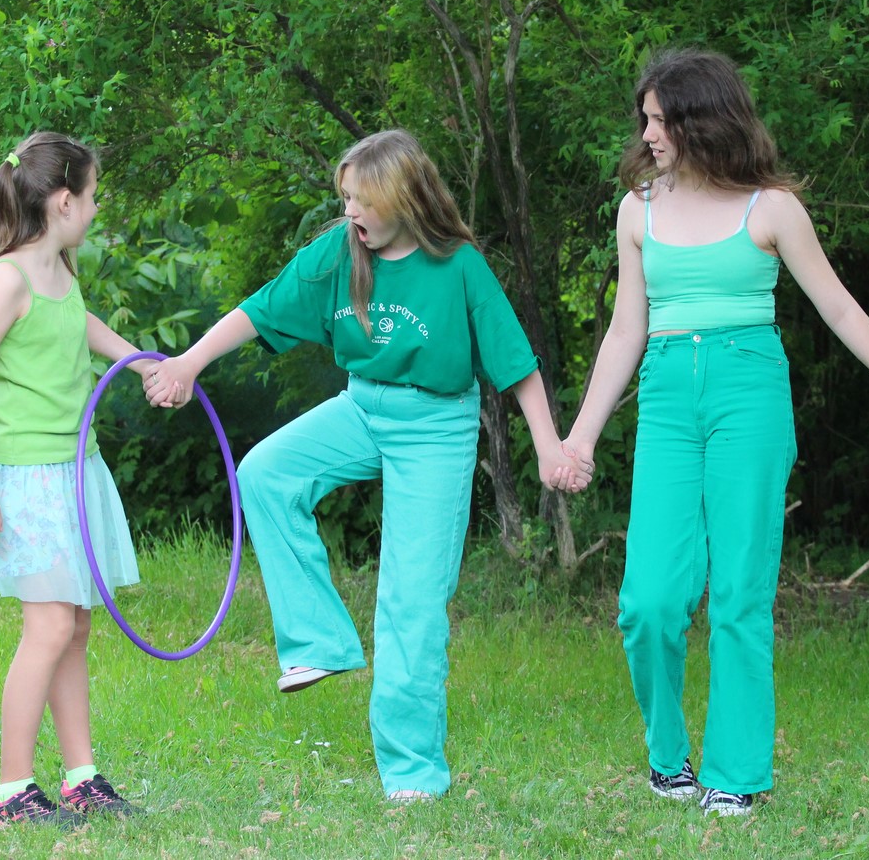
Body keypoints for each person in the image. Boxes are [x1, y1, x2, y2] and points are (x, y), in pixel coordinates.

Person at [560, 49, 869, 816]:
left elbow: (840, 308)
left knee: (740, 592)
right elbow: (625, 330)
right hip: (668, 397)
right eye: (645, 119)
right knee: (649, 600)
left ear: (703, 121)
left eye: (659, 120)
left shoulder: (771, 208)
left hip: (748, 392)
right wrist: (581, 436)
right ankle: (668, 757)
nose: (648, 134)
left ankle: (735, 772)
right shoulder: (637, 209)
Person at [143, 129, 584, 802]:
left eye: (361, 199)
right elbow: (261, 308)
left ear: (404, 198)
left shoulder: (457, 265)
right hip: (362, 405)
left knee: (412, 600)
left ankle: (413, 775)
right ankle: (318, 641)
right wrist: (188, 362)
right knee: (264, 473)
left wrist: (550, 446)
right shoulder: (341, 249)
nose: (349, 211)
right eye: (345, 196)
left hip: (436, 424)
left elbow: (514, 360)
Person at [0, 132, 155, 826]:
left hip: (75, 469)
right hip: (26, 479)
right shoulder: (7, 279)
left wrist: (140, 362)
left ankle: (81, 775)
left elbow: (77, 323)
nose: (95, 209)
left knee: (75, 624)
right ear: (64, 201)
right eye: (92, 197)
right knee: (49, 625)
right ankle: (11, 788)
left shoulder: (60, 271)